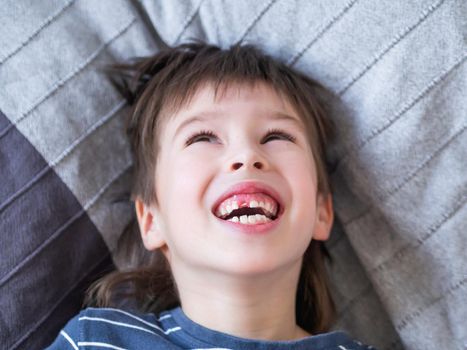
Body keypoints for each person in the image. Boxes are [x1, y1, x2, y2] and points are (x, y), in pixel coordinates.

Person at [46, 41, 376, 349]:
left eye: (277, 136)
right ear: (151, 220)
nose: (247, 155)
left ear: (321, 212)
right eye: (203, 137)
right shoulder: (98, 342)